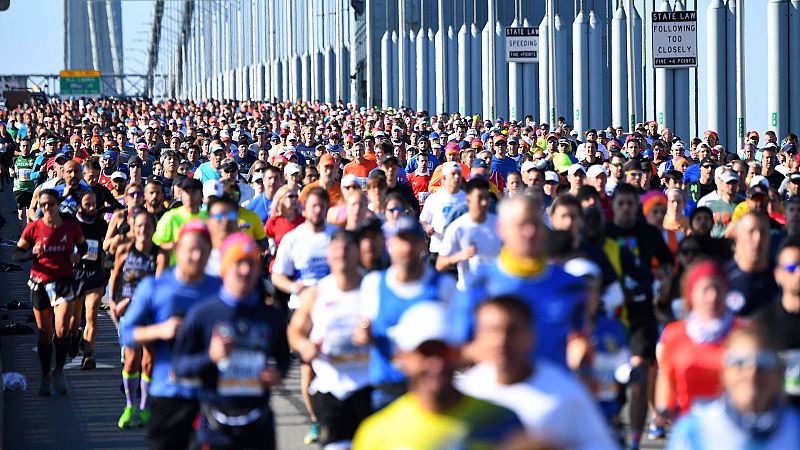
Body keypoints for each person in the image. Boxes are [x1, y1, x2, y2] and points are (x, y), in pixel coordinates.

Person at [173, 233, 290, 450]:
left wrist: (278, 373)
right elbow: (179, 366)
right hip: (215, 425)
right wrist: (211, 356)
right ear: (225, 268)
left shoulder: (271, 315)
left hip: (259, 424)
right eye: (238, 263)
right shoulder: (204, 314)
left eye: (251, 263)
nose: (245, 271)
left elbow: (283, 357)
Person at [352, 301, 523, 449]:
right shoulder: (377, 433)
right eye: (425, 353)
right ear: (403, 358)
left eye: (444, 352)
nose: (436, 365)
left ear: (457, 354)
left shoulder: (502, 420)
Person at [457, 295, 619, 450]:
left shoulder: (565, 391)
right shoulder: (466, 390)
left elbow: (601, 445)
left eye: (512, 330)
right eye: (492, 330)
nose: (501, 340)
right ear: (477, 335)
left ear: (530, 335)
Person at [119, 220, 221, 450]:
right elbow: (126, 333)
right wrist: (159, 330)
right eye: (190, 250)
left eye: (203, 250)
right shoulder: (154, 287)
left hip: (211, 392)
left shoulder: (220, 289)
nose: (196, 256)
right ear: (176, 251)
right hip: (169, 392)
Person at [287, 229, 372, 448]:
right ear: (328, 255)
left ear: (358, 253)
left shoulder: (374, 289)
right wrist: (304, 345)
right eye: (336, 249)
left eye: (347, 248)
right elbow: (295, 331)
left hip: (369, 389)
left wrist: (373, 334)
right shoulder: (317, 293)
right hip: (331, 391)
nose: (341, 253)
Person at [667, 326, 800, 450]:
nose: (751, 373)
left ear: (780, 372)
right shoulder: (694, 431)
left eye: (763, 363)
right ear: (724, 371)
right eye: (739, 363)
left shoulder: (795, 429)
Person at [653, 261, 741, 436]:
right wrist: (664, 409)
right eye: (706, 290)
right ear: (691, 295)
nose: (713, 296)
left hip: (734, 430)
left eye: (718, 289)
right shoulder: (674, 334)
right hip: (691, 429)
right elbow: (666, 379)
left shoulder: (743, 333)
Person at [13, 189, 87, 396]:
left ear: (57, 205)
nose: (46, 208)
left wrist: (77, 257)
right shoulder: (34, 228)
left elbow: (83, 247)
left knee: (61, 329)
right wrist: (31, 253)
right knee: (45, 333)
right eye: (42, 205)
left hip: (63, 281)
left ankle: (60, 370)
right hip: (40, 283)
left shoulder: (70, 226)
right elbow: (16, 255)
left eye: (50, 204)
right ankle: (46, 374)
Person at [109, 210, 169, 428]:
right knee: (132, 359)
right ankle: (129, 406)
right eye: (139, 226)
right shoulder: (124, 250)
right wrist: (114, 301)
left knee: (149, 361)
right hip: (129, 313)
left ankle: (144, 406)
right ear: (134, 228)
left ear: (154, 230)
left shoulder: (160, 254)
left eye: (148, 227)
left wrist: (132, 299)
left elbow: (158, 285)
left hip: (151, 312)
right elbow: (115, 276)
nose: (143, 231)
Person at [754, 235, 800, 408]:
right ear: (778, 274)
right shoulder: (763, 323)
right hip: (778, 420)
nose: (799, 273)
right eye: (792, 267)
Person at [436, 178, 500, 290]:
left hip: (495, 291)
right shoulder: (457, 227)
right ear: (468, 199)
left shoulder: (500, 225)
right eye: (479, 198)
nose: (484, 203)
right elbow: (440, 264)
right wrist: (460, 256)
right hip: (468, 291)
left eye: (487, 198)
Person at [70, 190, 109, 370]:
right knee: (75, 319)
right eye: (88, 204)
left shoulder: (101, 224)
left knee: (91, 314)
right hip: (75, 273)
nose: (92, 207)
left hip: (95, 273)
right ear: (79, 205)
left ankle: (88, 355)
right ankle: (76, 335)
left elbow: (107, 249)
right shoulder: (72, 224)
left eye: (94, 203)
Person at [725, 213, 779, 316]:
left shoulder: (783, 277)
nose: (758, 238)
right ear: (737, 236)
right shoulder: (723, 278)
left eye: (763, 232)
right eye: (751, 232)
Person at [420, 162, 466, 264]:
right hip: (438, 248)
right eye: (453, 174)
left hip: (460, 250)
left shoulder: (467, 198)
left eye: (459, 174)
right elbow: (423, 221)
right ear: (444, 179)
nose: (457, 177)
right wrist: (427, 227)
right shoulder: (434, 198)